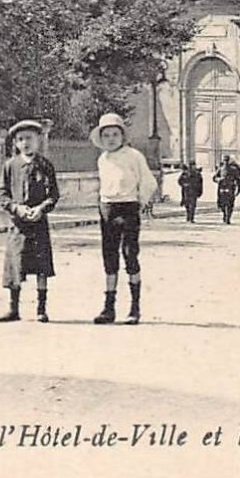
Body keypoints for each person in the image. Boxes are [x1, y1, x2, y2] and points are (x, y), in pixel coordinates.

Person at [90, 112, 157, 325]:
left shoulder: (134, 156)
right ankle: (109, 308)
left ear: (123, 136)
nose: (111, 138)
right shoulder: (103, 159)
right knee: (109, 256)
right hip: (107, 208)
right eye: (106, 135)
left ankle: (134, 308)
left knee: (130, 254)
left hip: (128, 207)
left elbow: (148, 182)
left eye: (115, 134)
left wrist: (140, 203)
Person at [0, 118, 60, 323]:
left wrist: (41, 209)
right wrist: (16, 208)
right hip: (18, 225)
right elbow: (2, 195)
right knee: (15, 265)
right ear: (15, 143)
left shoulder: (45, 165)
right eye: (21, 139)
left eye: (30, 138)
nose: (26, 143)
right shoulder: (10, 166)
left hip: (39, 223)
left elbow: (53, 195)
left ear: (38, 141)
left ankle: (42, 308)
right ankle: (13, 309)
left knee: (41, 266)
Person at [215, 155, 240, 225]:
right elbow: (214, 178)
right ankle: (224, 214)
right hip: (221, 189)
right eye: (224, 161)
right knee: (222, 204)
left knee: (230, 204)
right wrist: (219, 180)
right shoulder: (220, 169)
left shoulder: (233, 170)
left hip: (230, 189)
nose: (225, 162)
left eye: (227, 161)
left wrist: (238, 189)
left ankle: (228, 218)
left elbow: (238, 180)